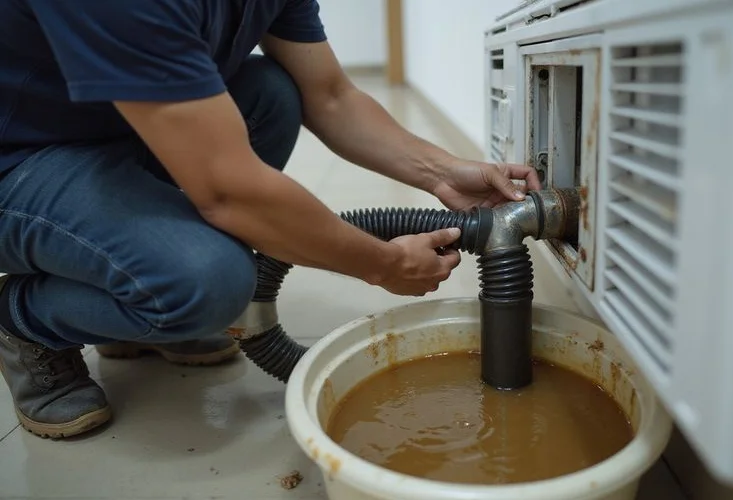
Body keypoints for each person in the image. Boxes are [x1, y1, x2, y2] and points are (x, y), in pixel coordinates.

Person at [0, 0, 540, 439]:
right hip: (20, 159)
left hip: (115, 129)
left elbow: (329, 96)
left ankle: (137, 298)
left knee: (272, 93)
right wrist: (383, 263)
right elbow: (227, 192)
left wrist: (444, 173)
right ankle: (24, 322)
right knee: (208, 282)